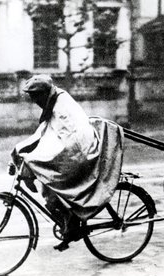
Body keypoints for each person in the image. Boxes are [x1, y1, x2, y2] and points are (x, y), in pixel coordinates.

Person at [11, 75, 123, 251]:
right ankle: (69, 224)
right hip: (74, 149)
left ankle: (71, 224)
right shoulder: (54, 100)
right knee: (49, 189)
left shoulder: (61, 108)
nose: (34, 101)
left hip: (82, 153)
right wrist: (20, 150)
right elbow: (43, 134)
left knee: (52, 177)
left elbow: (71, 142)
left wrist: (34, 160)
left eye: (35, 97)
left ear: (43, 94)